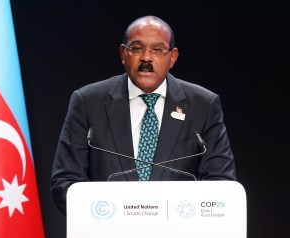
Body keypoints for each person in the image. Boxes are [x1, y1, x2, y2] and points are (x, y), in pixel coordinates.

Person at [51, 15, 237, 216]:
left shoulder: (203, 105)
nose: (146, 58)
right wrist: (104, 217)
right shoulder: (87, 102)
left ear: (172, 57)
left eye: (157, 50)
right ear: (123, 53)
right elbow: (65, 182)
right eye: (137, 48)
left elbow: (221, 184)